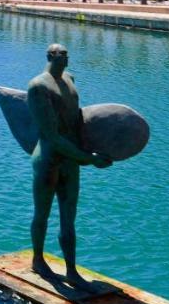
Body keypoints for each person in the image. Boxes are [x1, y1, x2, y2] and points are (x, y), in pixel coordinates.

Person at [26, 44, 112, 290]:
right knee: (42, 214)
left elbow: (78, 121)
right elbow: (51, 135)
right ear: (51, 56)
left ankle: (72, 270)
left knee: (68, 218)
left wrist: (91, 151)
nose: (67, 58)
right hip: (48, 161)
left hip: (70, 161)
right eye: (62, 55)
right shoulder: (38, 86)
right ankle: (38, 259)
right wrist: (88, 158)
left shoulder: (70, 79)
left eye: (67, 54)